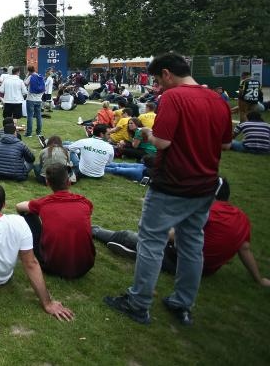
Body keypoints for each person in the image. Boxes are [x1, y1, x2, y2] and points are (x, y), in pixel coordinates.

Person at [104, 53, 232, 326]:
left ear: (166, 74)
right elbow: (225, 145)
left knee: (152, 243)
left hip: (172, 184)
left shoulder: (174, 97)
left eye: (157, 80)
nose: (158, 87)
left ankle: (139, 303)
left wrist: (147, 135)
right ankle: (182, 303)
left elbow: (161, 142)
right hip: (205, 186)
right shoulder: (218, 100)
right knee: (192, 246)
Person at [94, 178, 269, 287]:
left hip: (180, 260)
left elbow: (171, 236)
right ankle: (139, 253)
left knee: (129, 236)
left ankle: (92, 230)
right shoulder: (242, 217)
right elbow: (245, 249)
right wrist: (259, 279)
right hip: (206, 270)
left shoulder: (205, 211)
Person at [0, 182, 74, 326]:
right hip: (3, 278)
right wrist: (47, 303)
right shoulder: (19, 222)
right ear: (4, 204)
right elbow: (31, 263)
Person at [15, 164, 95, 279]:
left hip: (52, 266)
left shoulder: (44, 203)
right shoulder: (85, 202)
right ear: (68, 182)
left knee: (27, 214)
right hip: (85, 266)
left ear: (47, 183)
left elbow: (19, 207)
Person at [23, 66, 44, 137]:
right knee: (38, 116)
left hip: (30, 99)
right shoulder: (40, 76)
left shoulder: (30, 77)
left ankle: (29, 133)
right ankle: (38, 132)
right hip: (39, 100)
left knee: (30, 116)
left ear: (29, 71)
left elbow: (25, 83)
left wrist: (26, 76)